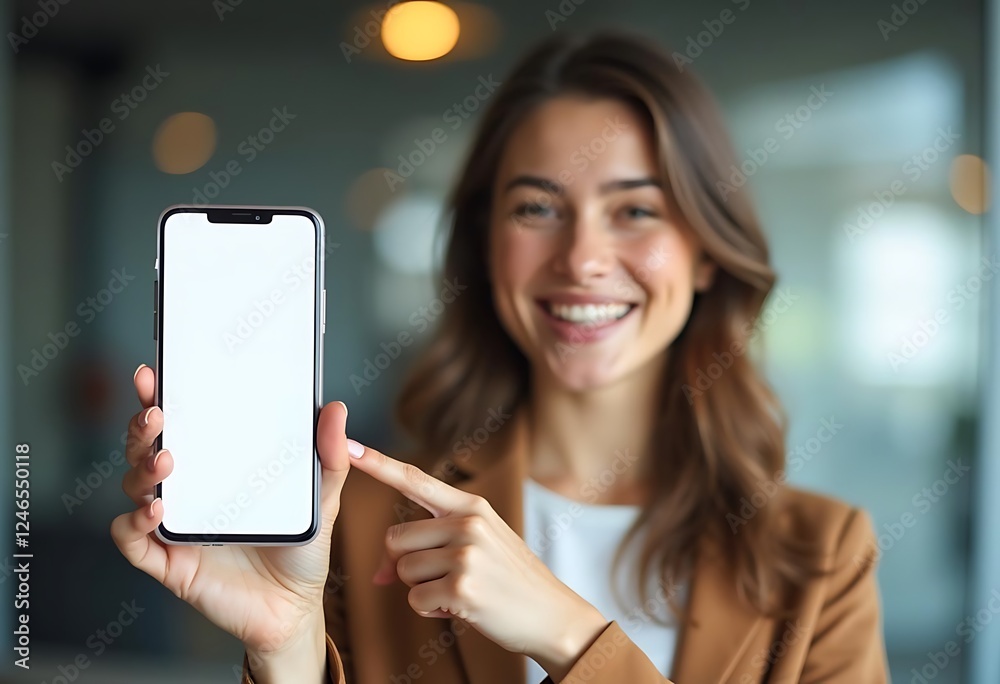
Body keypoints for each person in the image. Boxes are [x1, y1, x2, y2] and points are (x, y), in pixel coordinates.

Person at [112, 31, 889, 683]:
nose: (582, 258)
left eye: (636, 209)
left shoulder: (824, 557)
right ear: (486, 245)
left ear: (707, 251)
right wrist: (285, 650)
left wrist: (569, 636)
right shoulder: (359, 529)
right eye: (538, 207)